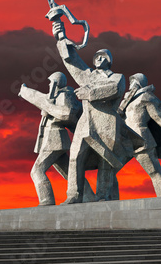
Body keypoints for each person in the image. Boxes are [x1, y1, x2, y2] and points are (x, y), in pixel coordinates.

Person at [51, 21, 144, 204]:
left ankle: (103, 196)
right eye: (96, 57)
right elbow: (72, 62)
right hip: (85, 123)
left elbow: (114, 90)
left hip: (107, 122)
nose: (98, 59)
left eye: (102, 56)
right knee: (76, 157)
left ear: (109, 60)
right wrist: (60, 37)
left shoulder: (118, 77)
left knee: (105, 162)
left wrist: (89, 93)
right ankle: (74, 195)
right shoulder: (89, 76)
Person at [19, 72, 96, 205]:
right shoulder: (55, 97)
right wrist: (25, 91)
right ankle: (89, 197)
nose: (49, 84)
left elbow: (67, 114)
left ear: (55, 83)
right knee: (68, 173)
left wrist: (49, 108)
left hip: (55, 139)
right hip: (53, 140)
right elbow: (38, 98)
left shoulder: (64, 95)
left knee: (37, 170)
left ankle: (46, 200)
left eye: (50, 82)